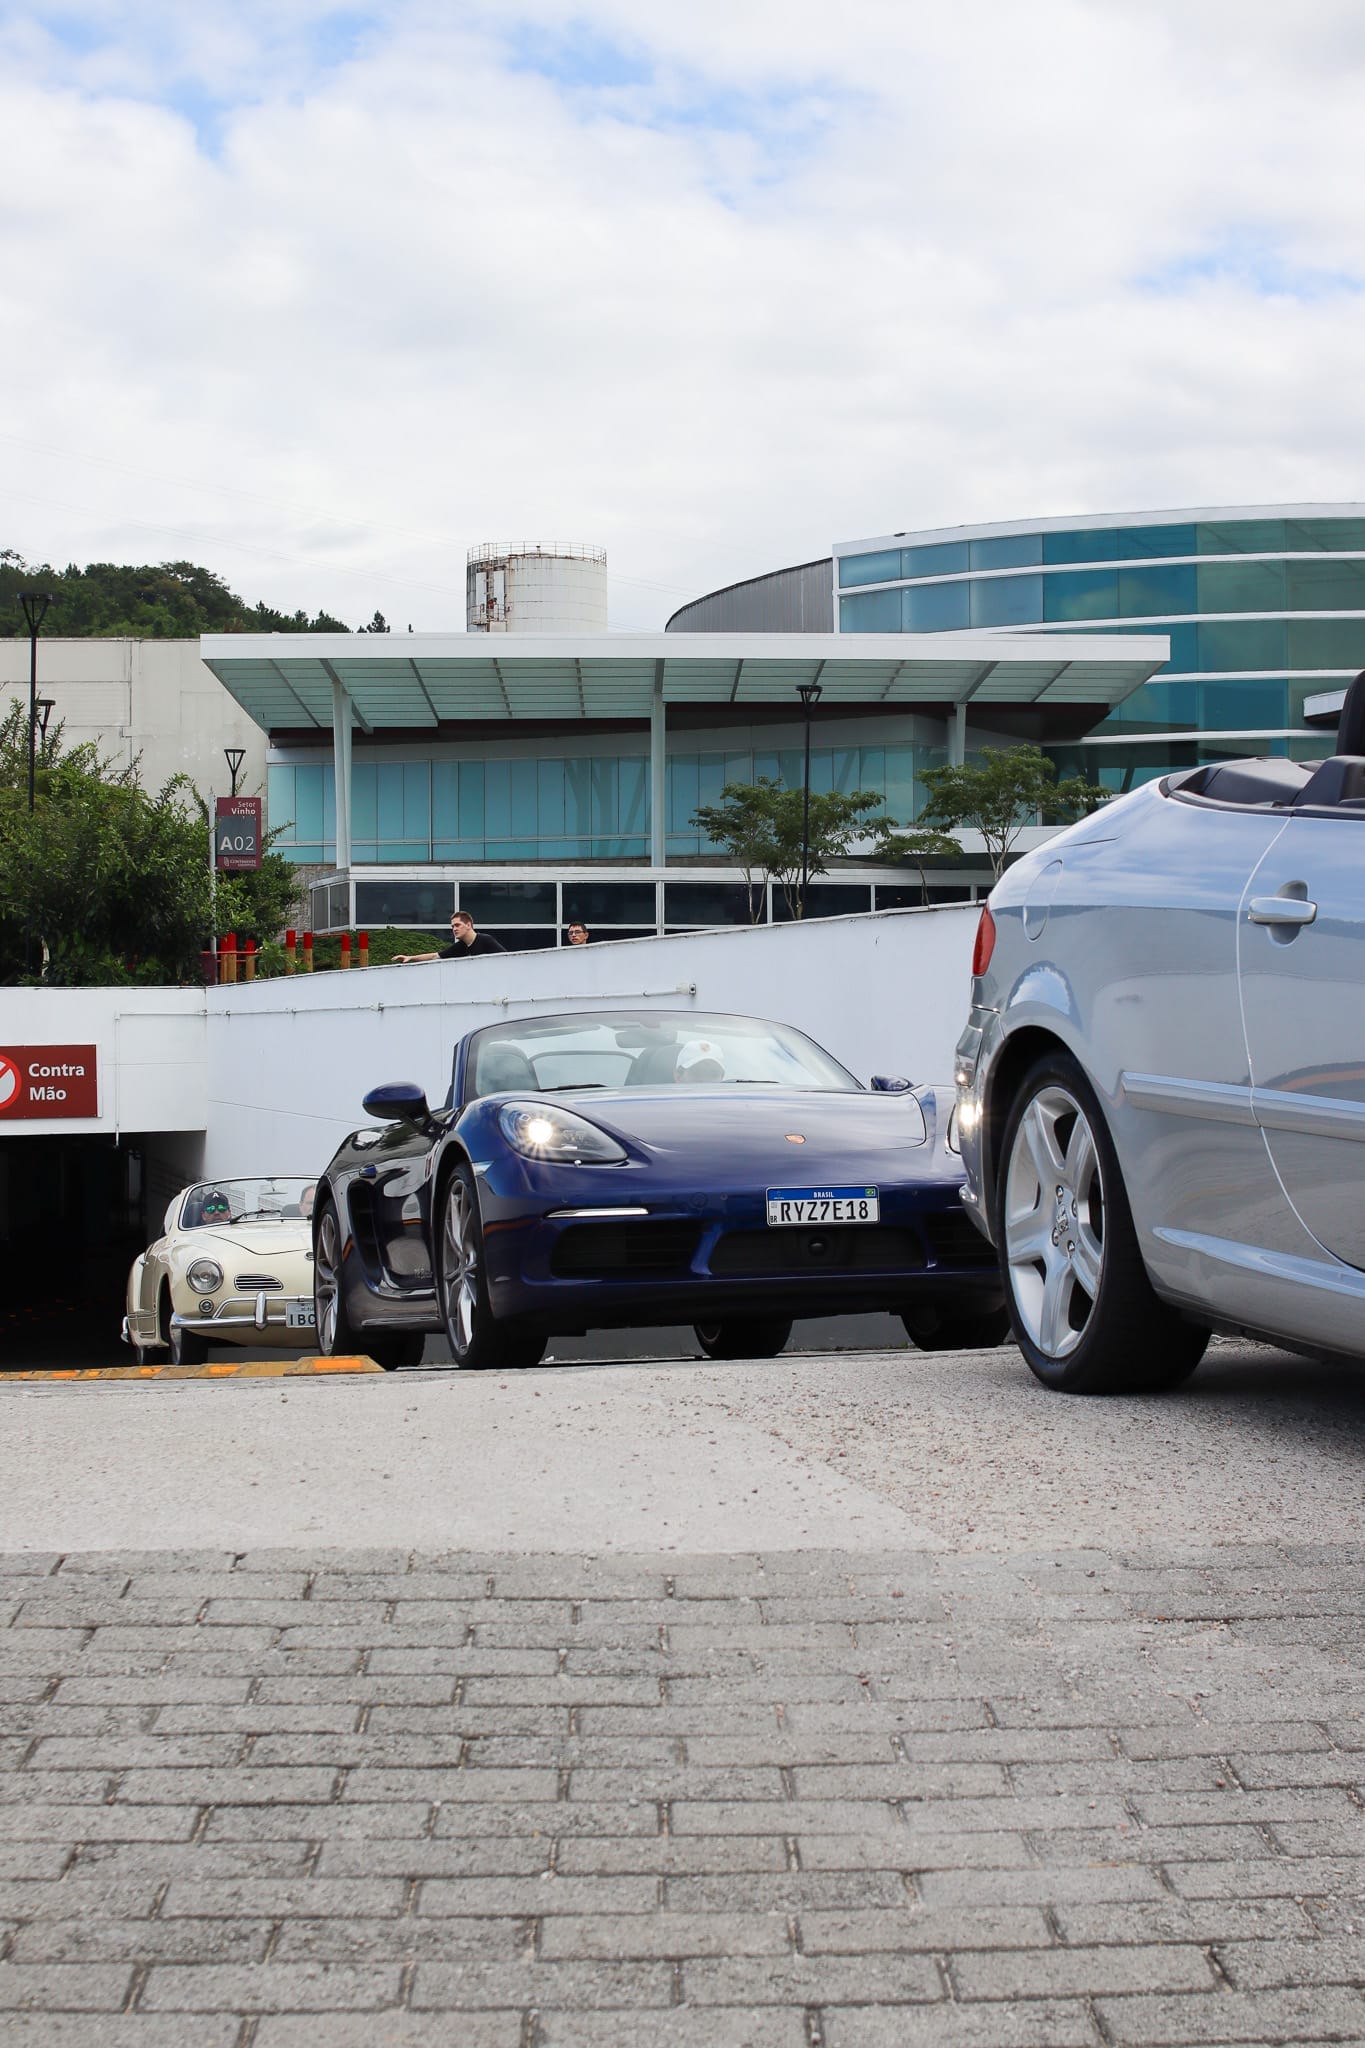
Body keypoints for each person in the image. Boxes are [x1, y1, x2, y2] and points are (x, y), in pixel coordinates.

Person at [395, 911, 507, 964]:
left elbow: (507, 959)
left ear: (468, 925)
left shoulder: (485, 940)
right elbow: (436, 956)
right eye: (452, 926)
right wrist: (410, 958)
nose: (454, 929)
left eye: (457, 925)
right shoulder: (461, 946)